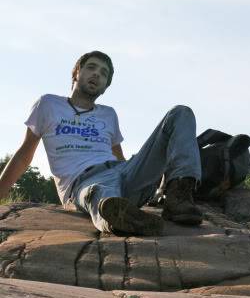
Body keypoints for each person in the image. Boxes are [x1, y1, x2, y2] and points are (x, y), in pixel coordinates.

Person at [0, 50, 203, 236]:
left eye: (104, 73)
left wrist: (151, 182)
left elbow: (119, 158)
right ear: (76, 72)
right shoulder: (48, 104)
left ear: (106, 86)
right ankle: (118, 219)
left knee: (180, 113)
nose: (97, 74)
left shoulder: (108, 114)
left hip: (121, 171)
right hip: (82, 181)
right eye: (91, 67)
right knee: (100, 192)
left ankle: (179, 195)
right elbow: (25, 153)